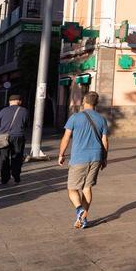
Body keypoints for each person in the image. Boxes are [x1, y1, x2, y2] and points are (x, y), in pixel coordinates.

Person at [58, 92, 109, 229]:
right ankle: (83, 219)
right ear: (96, 103)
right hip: (96, 157)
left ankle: (79, 209)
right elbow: (105, 140)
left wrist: (61, 154)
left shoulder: (75, 117)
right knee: (87, 188)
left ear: (84, 101)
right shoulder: (101, 119)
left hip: (79, 158)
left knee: (72, 189)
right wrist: (104, 158)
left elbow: (66, 137)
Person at [0, 95, 29, 184]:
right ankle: (16, 176)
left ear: (10, 102)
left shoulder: (3, 110)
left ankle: (4, 179)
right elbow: (26, 123)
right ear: (19, 101)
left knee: (4, 158)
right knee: (17, 157)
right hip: (18, 137)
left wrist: (3, 129)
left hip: (4, 137)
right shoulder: (24, 111)